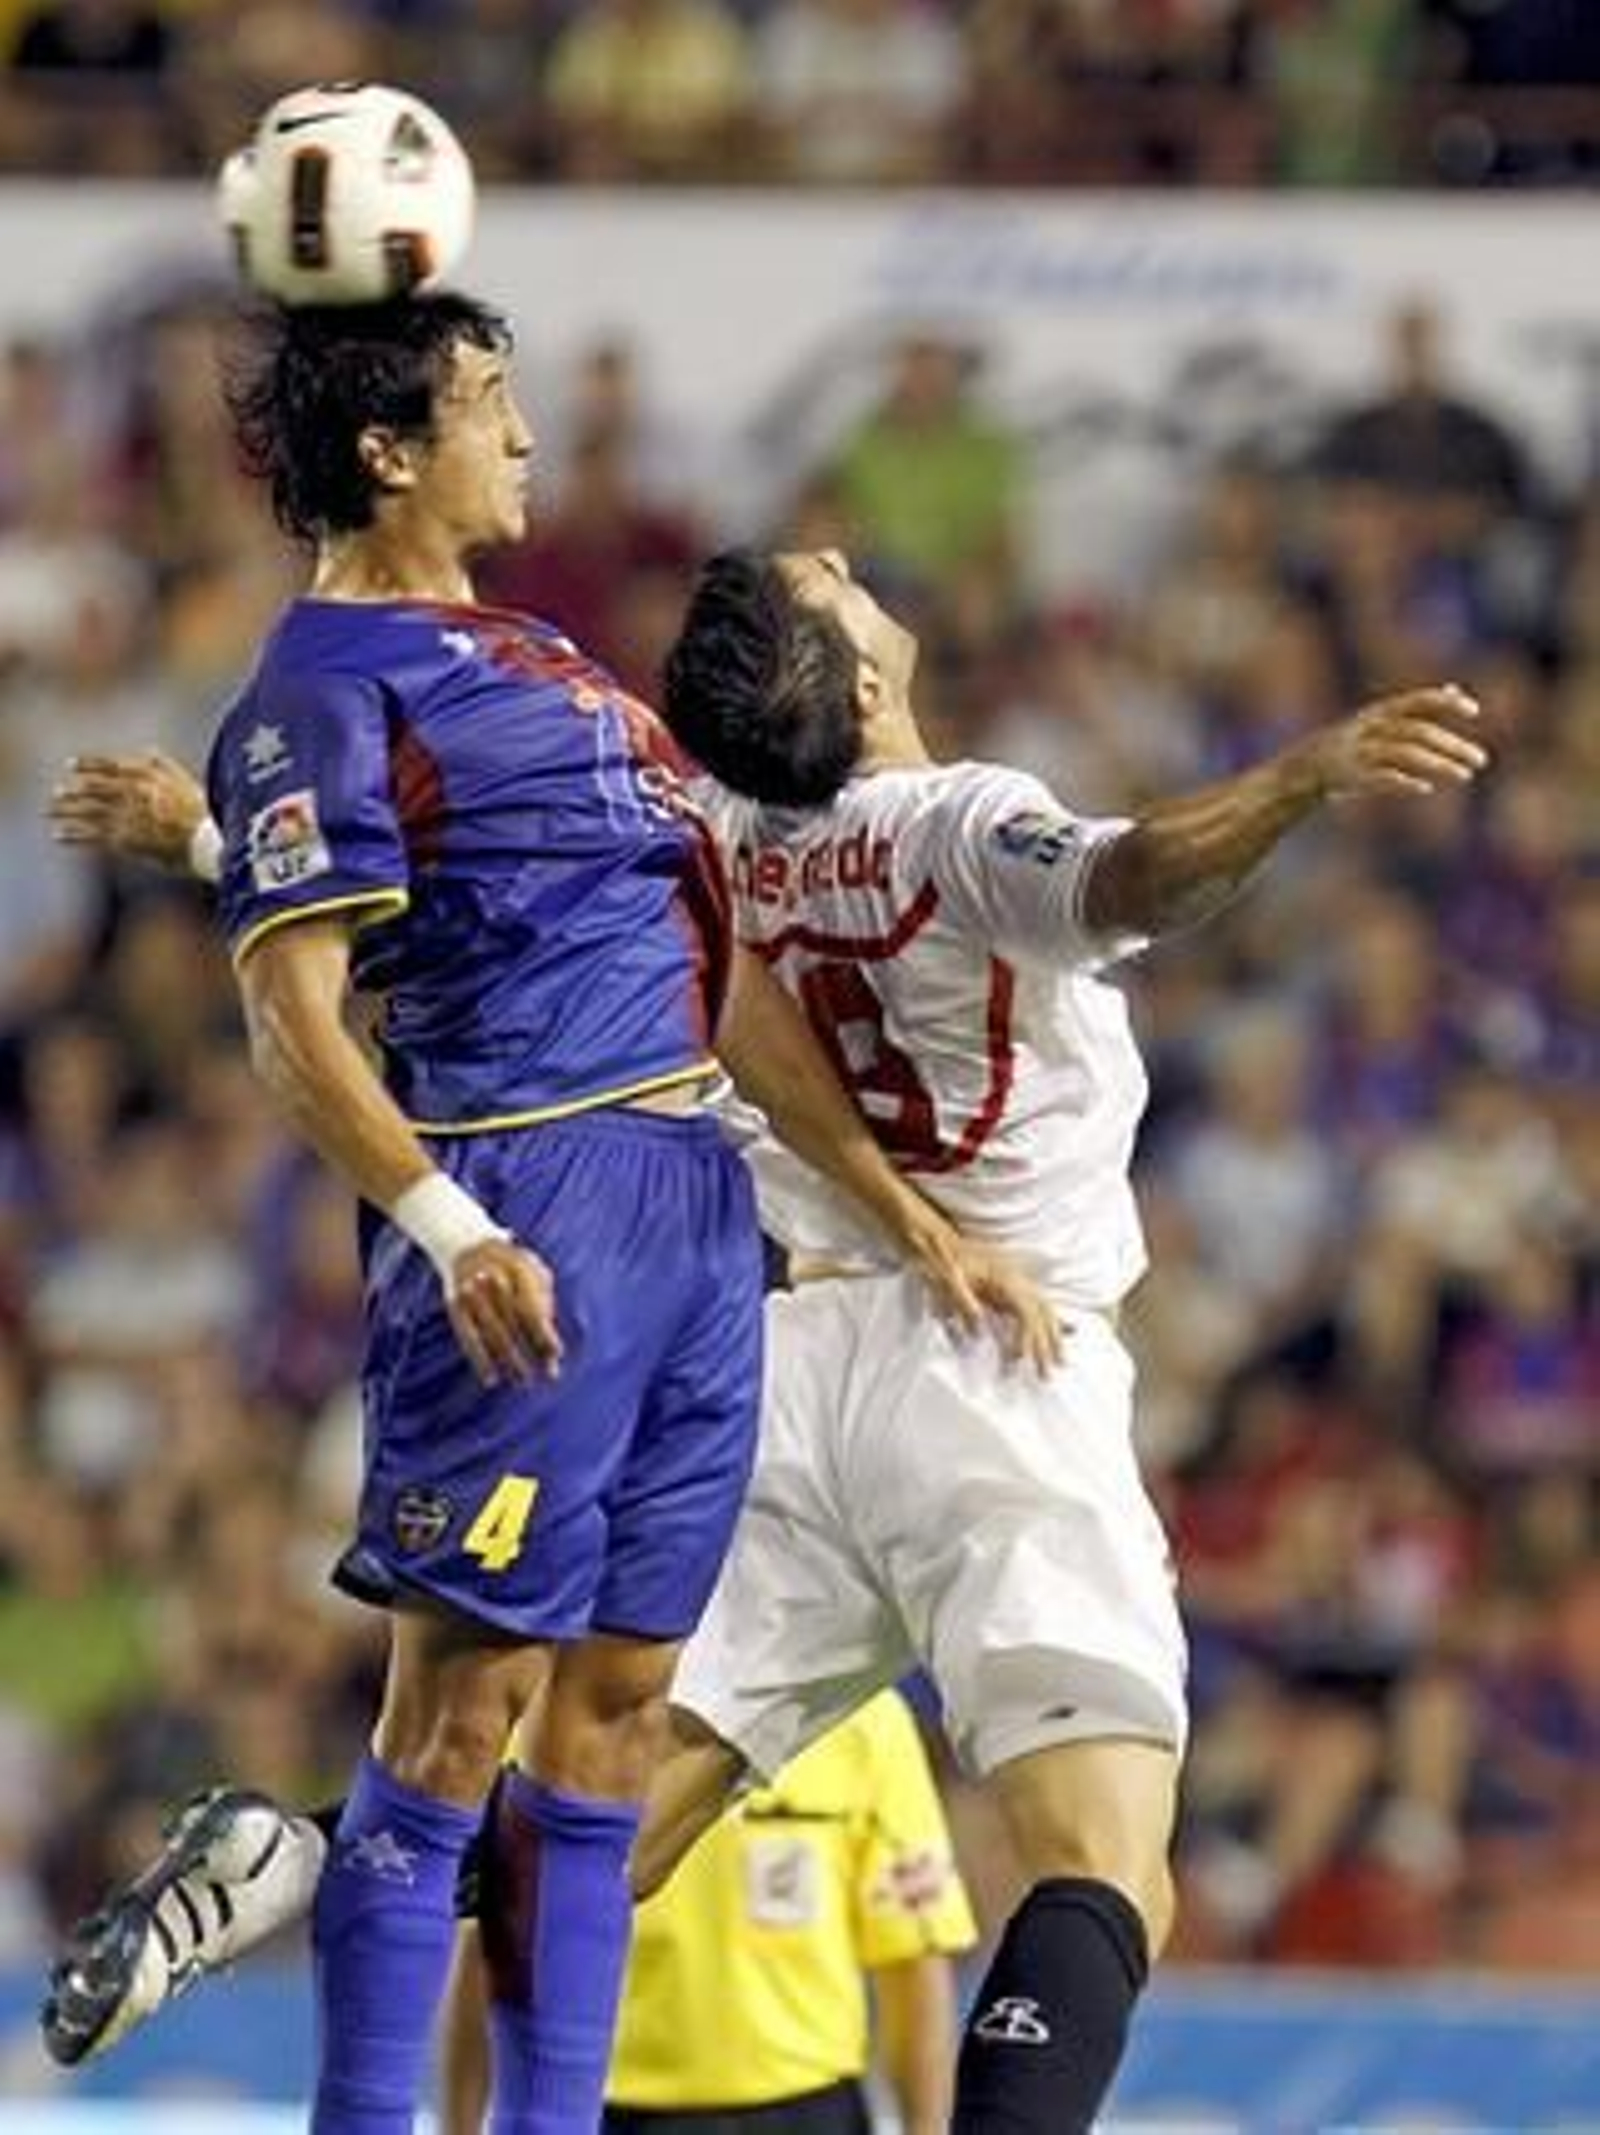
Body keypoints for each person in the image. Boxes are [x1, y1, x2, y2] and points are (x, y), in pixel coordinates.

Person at [45, 546, 1487, 2131]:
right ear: (863, 683)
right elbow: (1138, 876)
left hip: (781, 1370)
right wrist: (1306, 774)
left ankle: (297, 1851)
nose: (853, 567)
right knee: (1104, 1857)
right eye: (841, 582)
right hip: (996, 1359)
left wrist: (204, 832)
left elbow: (449, 915)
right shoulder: (955, 820)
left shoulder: (695, 836)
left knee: (597, 1814)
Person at [42, 292, 1049, 2135]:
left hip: (692, 1206)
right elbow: (295, 1015)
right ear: (389, 451)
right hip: (531, 1202)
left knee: (611, 1734)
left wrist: (908, 1219)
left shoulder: (545, 659)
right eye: (490, 403)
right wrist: (448, 1228)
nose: (526, 436)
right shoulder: (324, 688)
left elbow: (716, 973)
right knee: (452, 1734)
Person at [441, 1690, 974, 2135]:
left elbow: (914, 1967)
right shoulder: (566, 1709)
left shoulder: (862, 1715)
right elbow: (494, 1949)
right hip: (612, 2107)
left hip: (808, 2110)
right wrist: (460, 2125)